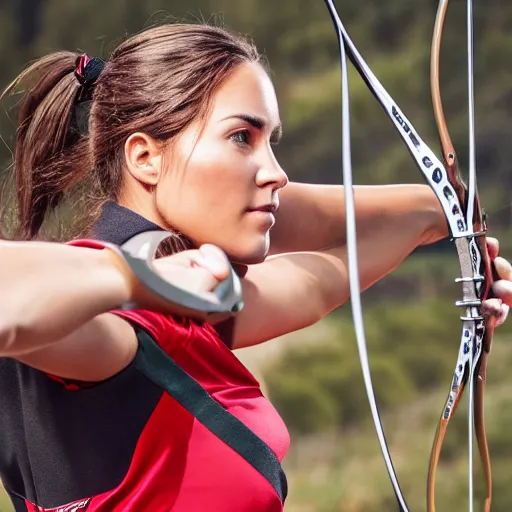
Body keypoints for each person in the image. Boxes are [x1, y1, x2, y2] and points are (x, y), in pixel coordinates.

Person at [0, 22, 510, 512]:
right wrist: (137, 278)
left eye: (272, 142)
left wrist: (450, 217)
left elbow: (317, 278)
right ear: (144, 158)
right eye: (242, 137)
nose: (278, 172)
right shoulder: (107, 324)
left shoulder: (187, 318)